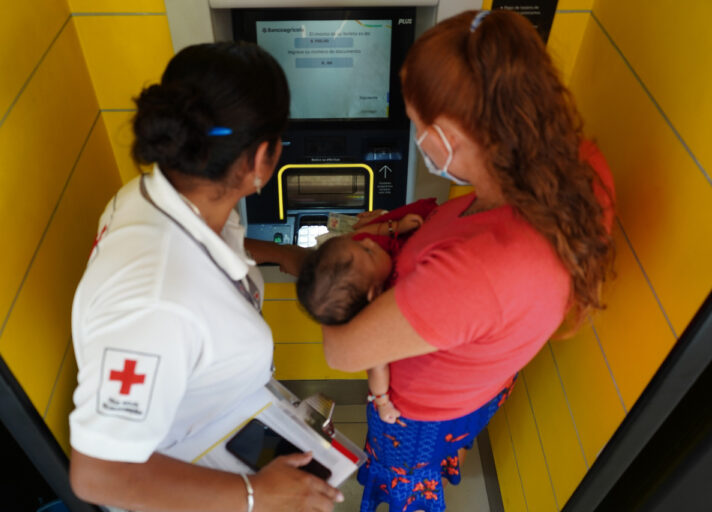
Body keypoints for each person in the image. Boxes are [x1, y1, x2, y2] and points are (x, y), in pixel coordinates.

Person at [317, 10, 616, 512]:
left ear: (449, 135)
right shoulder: (573, 167)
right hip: (477, 388)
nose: (415, 137)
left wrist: (353, 251)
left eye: (416, 124)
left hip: (412, 417)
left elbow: (341, 350)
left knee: (406, 483)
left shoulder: (484, 271)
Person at [67, 42, 343, 512]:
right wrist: (257, 495)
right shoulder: (154, 308)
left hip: (223, 428)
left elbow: (209, 247)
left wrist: (284, 254)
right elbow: (98, 475)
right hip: (190, 486)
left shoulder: (158, 194)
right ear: (260, 161)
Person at [297, 200, 438, 424]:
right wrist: (383, 403)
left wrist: (393, 227)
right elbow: (378, 367)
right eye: (367, 251)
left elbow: (361, 234)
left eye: (363, 245)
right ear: (374, 293)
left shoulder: (365, 257)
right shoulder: (380, 320)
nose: (369, 242)